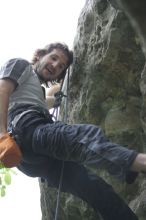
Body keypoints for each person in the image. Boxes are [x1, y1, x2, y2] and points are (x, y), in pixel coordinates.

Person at [0, 42, 144, 220]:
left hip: (34, 158)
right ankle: (140, 162)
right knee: (85, 137)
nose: (55, 66)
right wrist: (2, 136)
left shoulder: (34, 92)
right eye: (53, 58)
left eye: (61, 66)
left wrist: (57, 95)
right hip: (28, 129)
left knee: (95, 189)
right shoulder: (19, 65)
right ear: (40, 56)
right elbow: (2, 90)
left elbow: (46, 100)